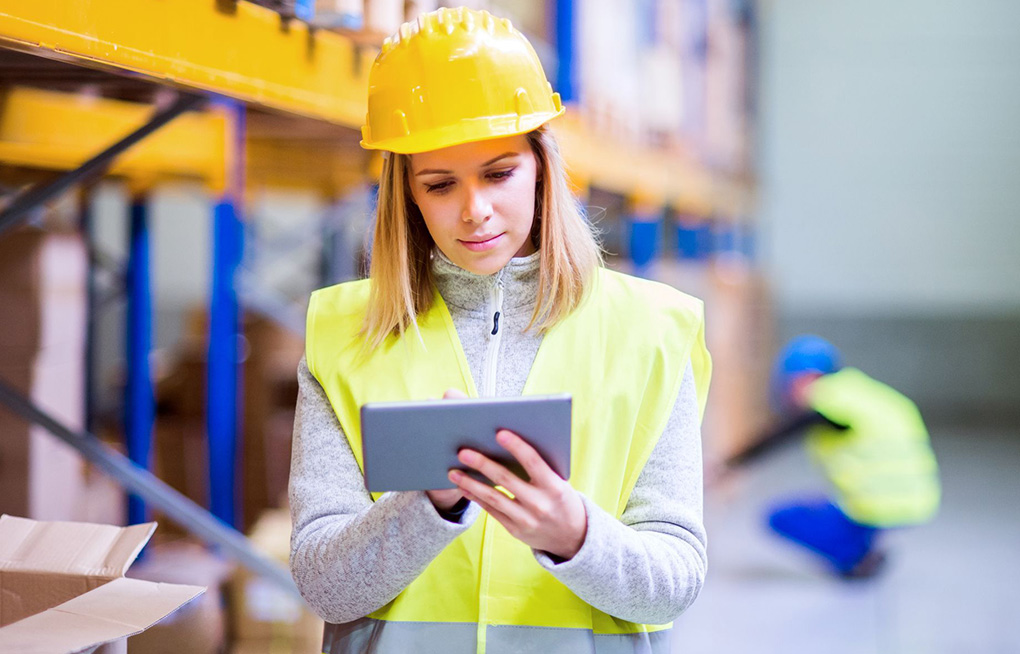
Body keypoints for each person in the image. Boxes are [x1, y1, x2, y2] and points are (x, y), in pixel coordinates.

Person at [288, 7, 712, 653]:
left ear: (543, 163)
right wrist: (426, 506)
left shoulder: (650, 332)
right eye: (439, 184)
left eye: (498, 173)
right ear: (406, 195)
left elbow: (676, 580)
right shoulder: (345, 336)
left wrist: (575, 536)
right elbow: (324, 585)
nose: (474, 210)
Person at [725, 335, 940, 578]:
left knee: (780, 517)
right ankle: (864, 549)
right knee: (824, 505)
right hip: (916, 502)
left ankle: (856, 559)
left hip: (874, 507)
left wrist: (732, 464)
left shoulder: (828, 399)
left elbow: (783, 433)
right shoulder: (865, 394)